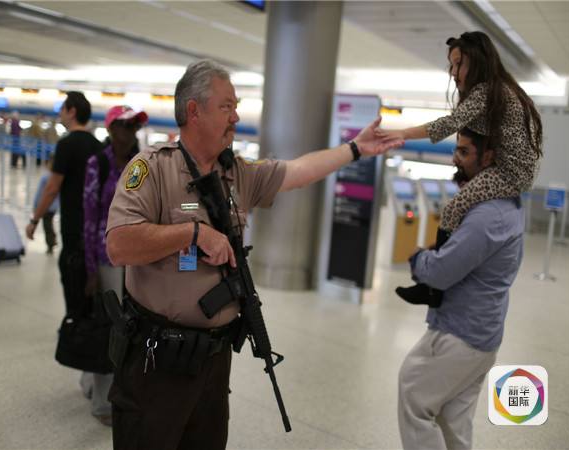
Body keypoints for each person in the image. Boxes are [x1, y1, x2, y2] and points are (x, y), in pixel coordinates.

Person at [105, 59, 404, 450]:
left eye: (236, 106)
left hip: (212, 361)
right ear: (194, 111)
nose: (236, 116)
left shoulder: (237, 174)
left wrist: (354, 149)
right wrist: (192, 233)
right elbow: (118, 245)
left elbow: (298, 171)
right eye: (226, 106)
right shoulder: (151, 168)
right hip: (157, 362)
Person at [377, 31, 542, 308]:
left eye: (458, 64)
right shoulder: (497, 89)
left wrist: (399, 134)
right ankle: (435, 276)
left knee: (454, 208)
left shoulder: (486, 91)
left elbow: (447, 125)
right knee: (459, 207)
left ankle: (433, 289)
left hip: (510, 172)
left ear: (476, 62)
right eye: (451, 65)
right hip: (514, 170)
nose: (453, 72)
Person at [398, 127, 525, 450]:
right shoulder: (507, 203)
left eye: (465, 152)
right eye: (456, 149)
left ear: (490, 156)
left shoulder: (487, 215)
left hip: (461, 333)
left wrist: (419, 259)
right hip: (483, 332)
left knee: (414, 395)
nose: (457, 158)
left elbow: (440, 273)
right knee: (453, 420)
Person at [25, 91, 105, 424]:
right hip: (98, 242)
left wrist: (34, 219)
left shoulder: (67, 145)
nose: (60, 114)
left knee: (77, 305)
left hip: (74, 240)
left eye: (62, 108)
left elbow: (52, 188)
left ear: (72, 112)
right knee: (96, 306)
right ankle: (95, 378)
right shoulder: (101, 147)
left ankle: (87, 372)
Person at [80, 105, 148, 426]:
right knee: (109, 327)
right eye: (123, 126)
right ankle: (101, 401)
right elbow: (90, 217)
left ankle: (101, 381)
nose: (129, 133)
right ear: (110, 130)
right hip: (106, 258)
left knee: (129, 327)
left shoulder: (141, 165)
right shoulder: (98, 164)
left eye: (134, 127)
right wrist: (91, 269)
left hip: (135, 259)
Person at [33, 155, 59, 254]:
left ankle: (50, 243)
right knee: (49, 223)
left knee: (47, 225)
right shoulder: (57, 177)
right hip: (54, 207)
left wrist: (36, 206)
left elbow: (40, 193)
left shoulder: (45, 177)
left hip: (46, 207)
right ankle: (53, 239)